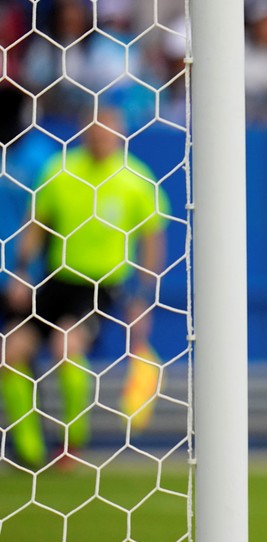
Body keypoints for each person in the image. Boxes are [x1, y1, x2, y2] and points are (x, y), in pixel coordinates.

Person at [3, 108, 167, 469]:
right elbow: (36, 225)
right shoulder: (60, 170)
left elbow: (152, 240)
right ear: (83, 134)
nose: (101, 139)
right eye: (94, 132)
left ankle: (72, 442)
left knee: (65, 345)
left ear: (120, 136)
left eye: (107, 133)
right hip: (56, 279)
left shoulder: (136, 179)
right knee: (10, 351)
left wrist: (143, 297)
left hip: (101, 287)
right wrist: (21, 271)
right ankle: (29, 451)